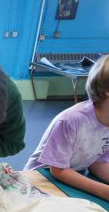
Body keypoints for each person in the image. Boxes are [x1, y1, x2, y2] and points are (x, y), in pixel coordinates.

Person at [24, 55, 109, 201]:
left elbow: (97, 162)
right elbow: (58, 170)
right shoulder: (71, 120)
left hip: (73, 177)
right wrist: (102, 191)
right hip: (41, 180)